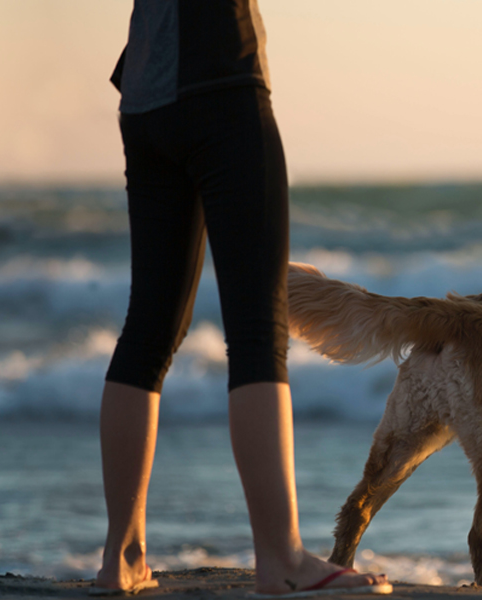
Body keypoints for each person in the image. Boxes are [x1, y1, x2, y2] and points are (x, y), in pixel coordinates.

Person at [92, 1, 391, 596]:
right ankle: (281, 558)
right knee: (257, 331)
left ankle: (121, 558)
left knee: (147, 331)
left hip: (145, 98)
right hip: (222, 80)